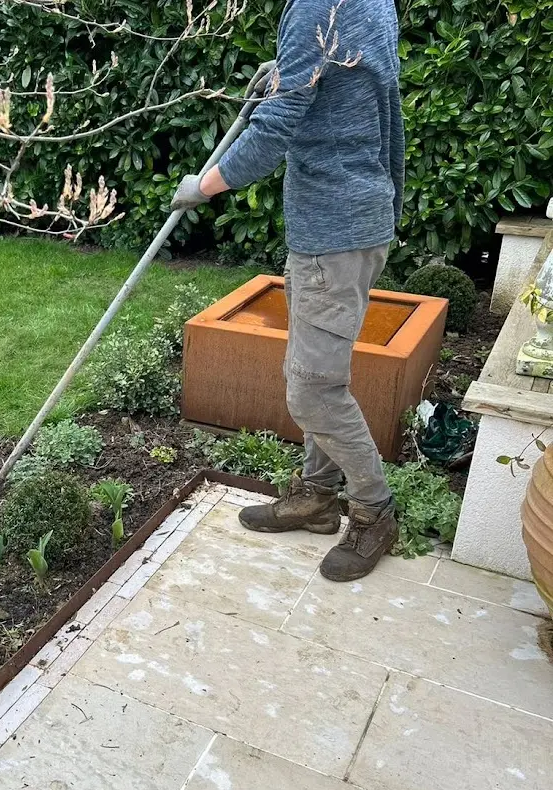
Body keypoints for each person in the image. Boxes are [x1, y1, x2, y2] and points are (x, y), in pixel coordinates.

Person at [171, 0, 404, 582]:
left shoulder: (313, 11)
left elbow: (275, 130)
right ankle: (319, 497)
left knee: (312, 391)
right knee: (325, 375)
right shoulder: (369, 4)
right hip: (357, 218)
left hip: (334, 228)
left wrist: (205, 185)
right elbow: (371, 102)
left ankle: (374, 510)